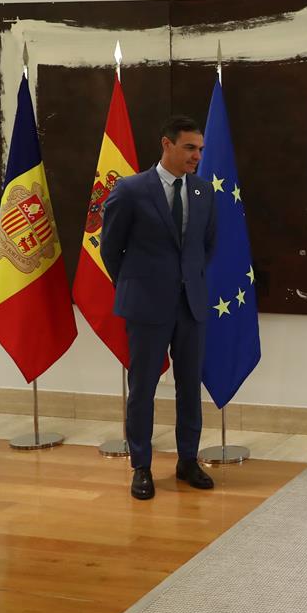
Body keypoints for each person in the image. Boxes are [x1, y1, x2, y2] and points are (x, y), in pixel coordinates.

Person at [101, 115, 217, 500]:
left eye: (200, 149)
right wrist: (139, 286)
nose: (196, 156)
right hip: (147, 306)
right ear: (166, 144)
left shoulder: (202, 192)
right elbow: (110, 250)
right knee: (143, 388)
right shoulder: (131, 190)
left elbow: (206, 247)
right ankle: (142, 466)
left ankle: (188, 461)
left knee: (189, 388)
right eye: (189, 147)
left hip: (191, 307)